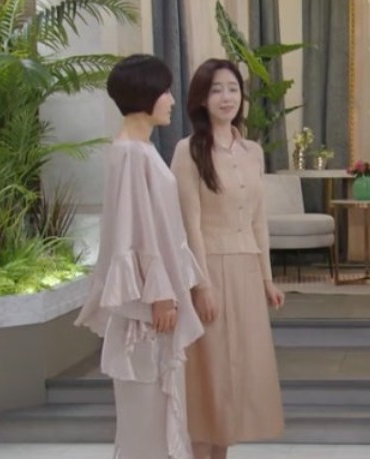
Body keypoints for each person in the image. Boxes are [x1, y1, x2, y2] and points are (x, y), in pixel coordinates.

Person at [74, 54, 205, 459]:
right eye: (165, 92)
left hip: (155, 299)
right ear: (146, 94)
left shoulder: (139, 150)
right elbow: (136, 229)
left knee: (157, 405)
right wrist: (160, 294)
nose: (171, 100)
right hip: (149, 306)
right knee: (148, 408)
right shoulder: (131, 153)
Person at [170, 58, 285, 459]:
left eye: (233, 89)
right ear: (201, 99)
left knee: (240, 376)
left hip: (247, 271)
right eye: (216, 89)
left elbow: (258, 220)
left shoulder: (253, 151)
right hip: (210, 269)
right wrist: (201, 285)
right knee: (211, 374)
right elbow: (189, 224)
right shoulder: (188, 150)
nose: (226, 97)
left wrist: (267, 279)